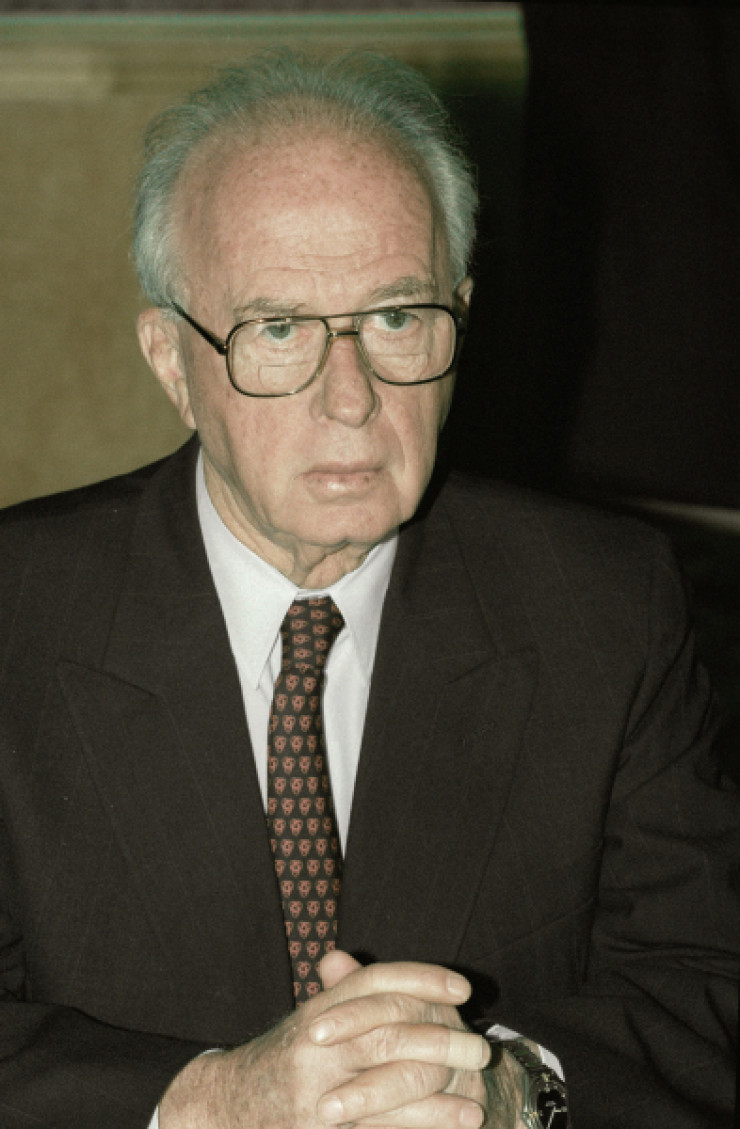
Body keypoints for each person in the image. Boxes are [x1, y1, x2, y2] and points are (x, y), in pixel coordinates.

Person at [0, 50, 736, 1129]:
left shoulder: (604, 606)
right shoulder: (18, 615)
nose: (350, 399)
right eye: (279, 330)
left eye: (396, 319)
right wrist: (205, 1103)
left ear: (460, 316)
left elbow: (704, 984)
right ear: (171, 360)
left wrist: (513, 1087)